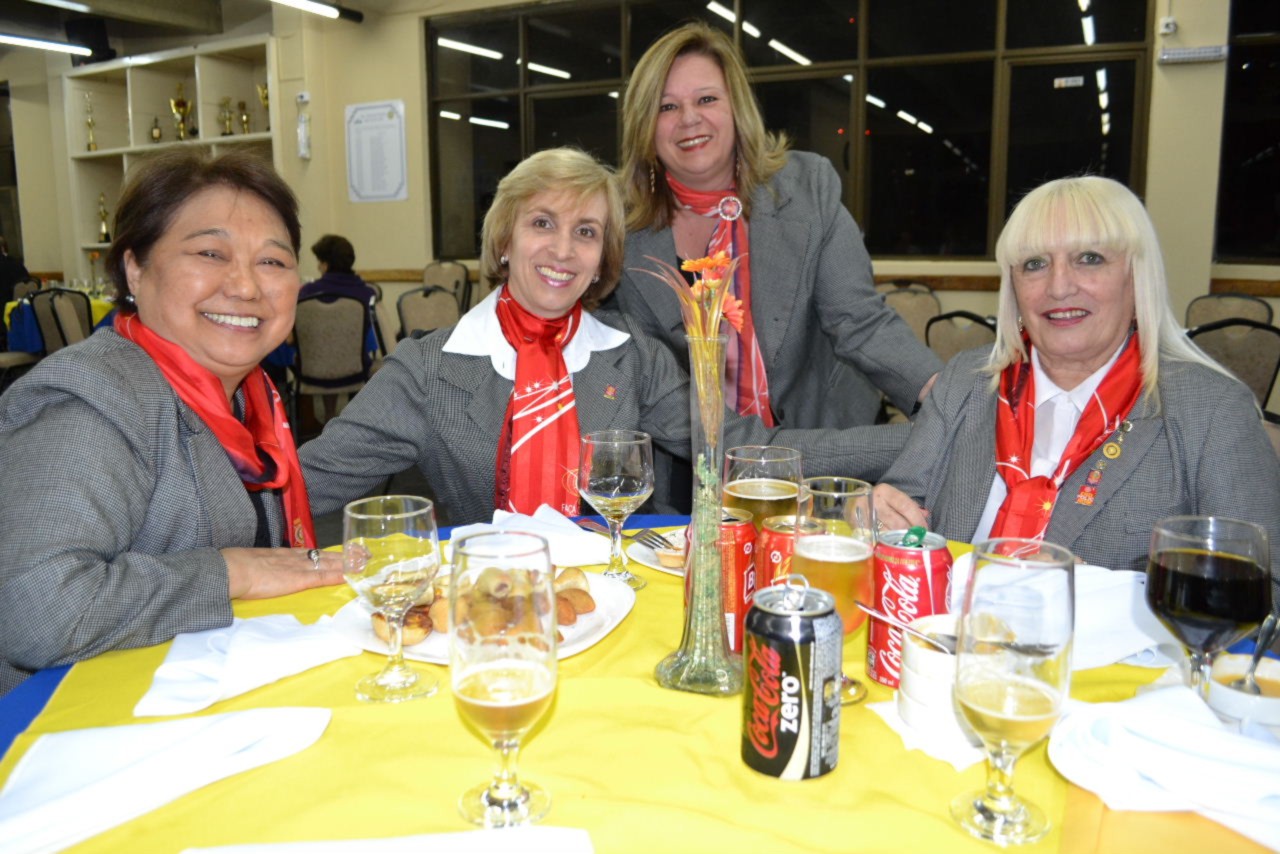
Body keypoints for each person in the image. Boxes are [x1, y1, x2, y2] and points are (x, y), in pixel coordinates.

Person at [300, 147, 908, 525]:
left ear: (601, 262)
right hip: (486, 614)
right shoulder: (428, 369)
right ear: (504, 240)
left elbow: (743, 450)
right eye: (543, 223)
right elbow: (306, 484)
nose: (564, 250)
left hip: (610, 604)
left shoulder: (632, 356)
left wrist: (911, 441)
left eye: (587, 232)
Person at [0, 148, 345, 696]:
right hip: (80, 717)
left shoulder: (252, 397)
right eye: (210, 253)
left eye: (272, 262)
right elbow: (38, 610)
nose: (246, 286)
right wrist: (231, 573)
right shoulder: (92, 399)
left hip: (201, 691)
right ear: (134, 269)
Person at [874, 175, 1280, 587]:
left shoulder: (1212, 412)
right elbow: (902, 506)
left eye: (1089, 258)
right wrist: (877, 516)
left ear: (1137, 278)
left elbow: (1267, 594)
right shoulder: (966, 380)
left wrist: (1106, 594)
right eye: (1035, 264)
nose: (1059, 286)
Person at [606, 21, 941, 508]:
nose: (689, 120)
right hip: (689, 465)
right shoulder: (618, 227)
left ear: (736, 107)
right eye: (666, 107)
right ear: (644, 124)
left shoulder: (807, 188)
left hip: (824, 447)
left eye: (706, 99)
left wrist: (946, 398)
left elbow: (860, 320)